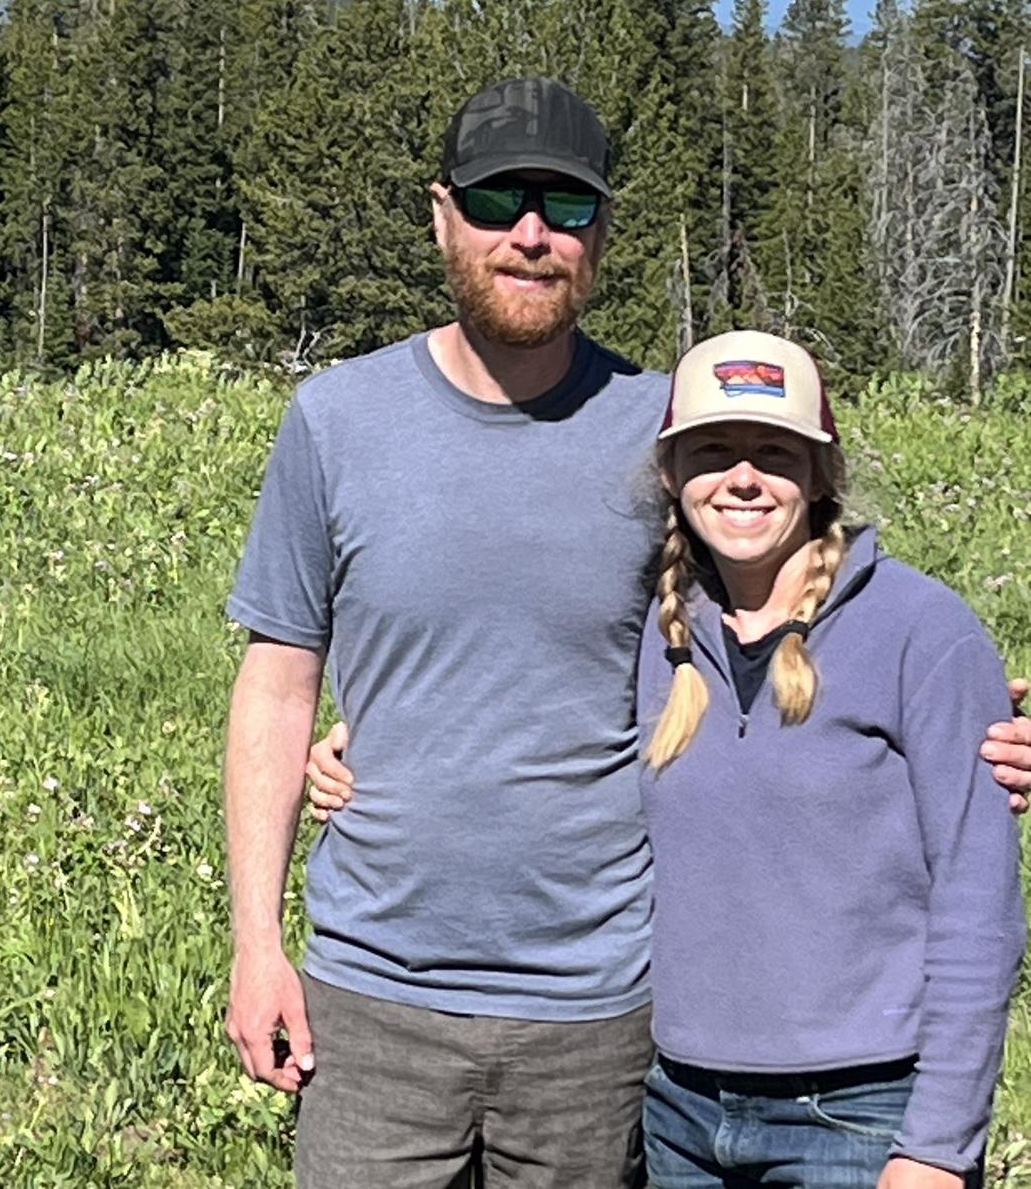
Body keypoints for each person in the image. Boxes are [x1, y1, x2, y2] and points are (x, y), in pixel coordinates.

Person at [222, 76, 1031, 1189]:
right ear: (442, 214)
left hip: (601, 1014)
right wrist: (257, 945)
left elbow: (809, 601)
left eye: (568, 207)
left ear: (602, 233)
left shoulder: (671, 433)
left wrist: (979, 724)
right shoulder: (336, 420)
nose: (532, 234)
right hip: (373, 999)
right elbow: (277, 682)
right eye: (499, 200)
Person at [311, 330, 1025, 1187]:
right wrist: (371, 744)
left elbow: (979, 905)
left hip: (859, 1115)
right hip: (680, 1110)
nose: (743, 478)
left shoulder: (921, 632)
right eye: (712, 451)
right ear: (671, 474)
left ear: (821, 475)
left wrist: (938, 1145)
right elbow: (531, 706)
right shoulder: (661, 631)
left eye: (776, 453)